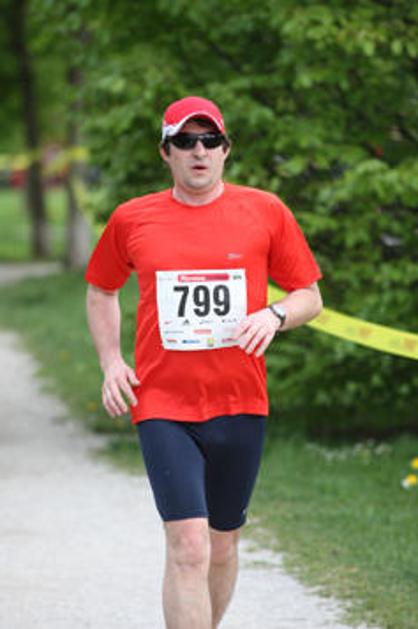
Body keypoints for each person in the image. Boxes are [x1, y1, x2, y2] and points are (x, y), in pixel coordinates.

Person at [85, 95, 323, 629]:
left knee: (222, 543)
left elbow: (310, 296)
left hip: (240, 401)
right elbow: (101, 289)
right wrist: (111, 361)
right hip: (163, 403)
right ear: (165, 152)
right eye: (185, 141)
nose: (199, 151)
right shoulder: (132, 218)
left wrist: (275, 315)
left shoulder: (265, 211)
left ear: (225, 149)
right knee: (188, 545)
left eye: (209, 140)